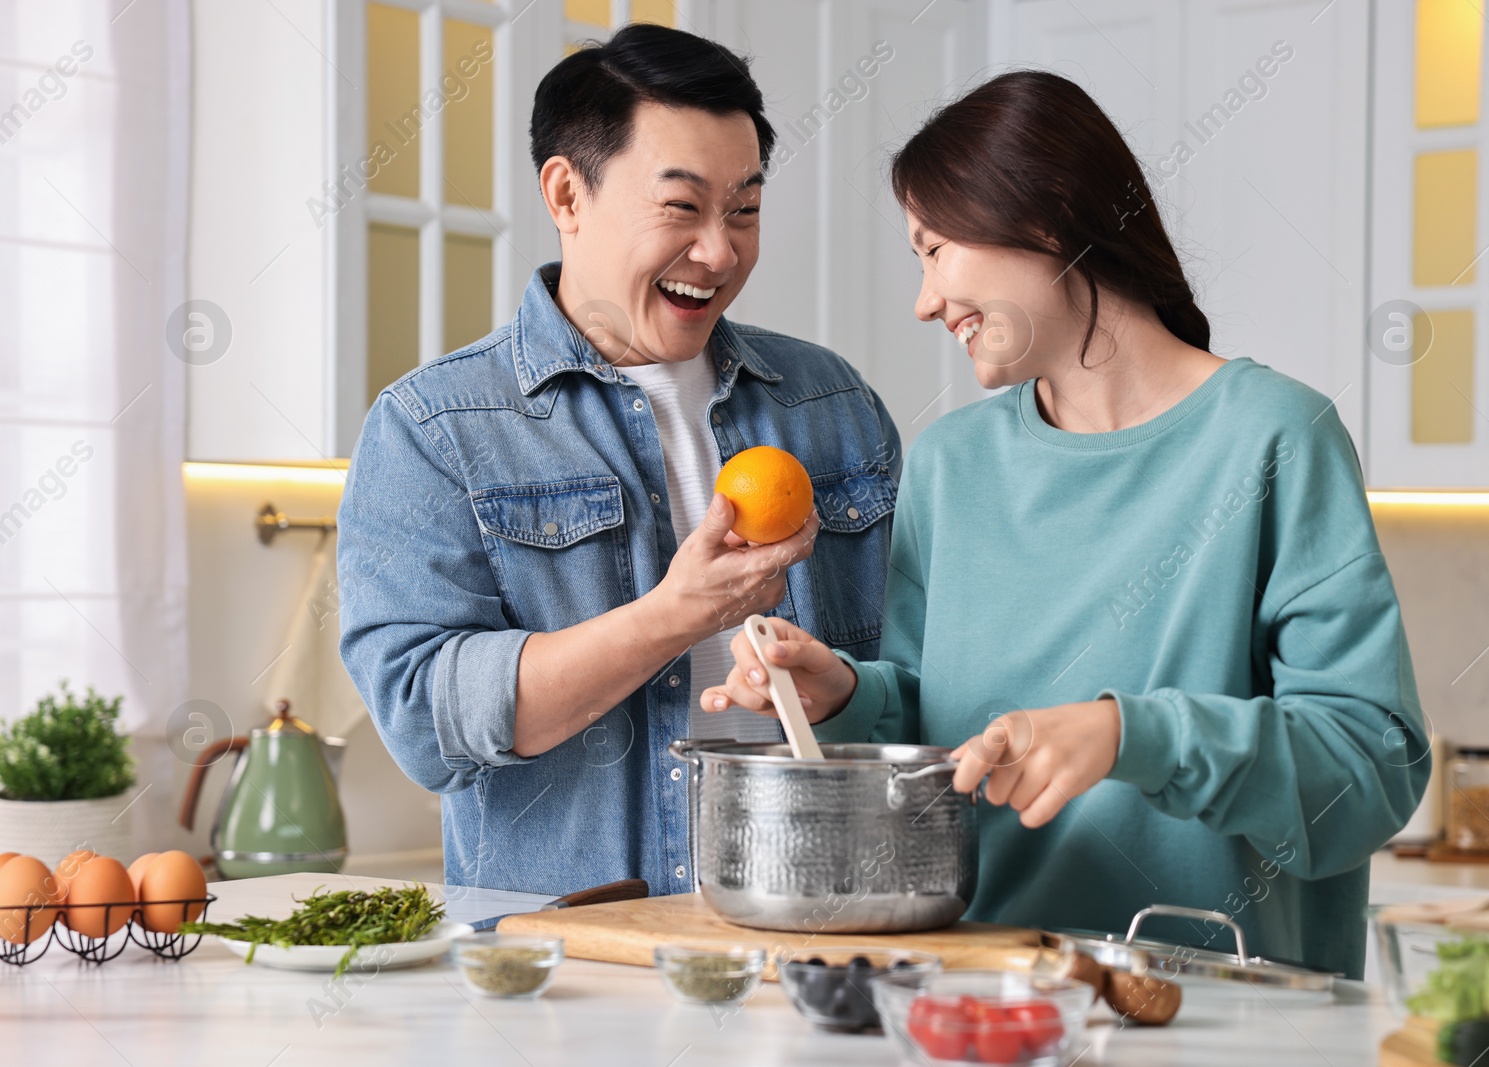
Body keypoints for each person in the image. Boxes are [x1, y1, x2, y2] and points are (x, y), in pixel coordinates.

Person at [703, 70, 1428, 977]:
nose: (925, 301)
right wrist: (847, 697)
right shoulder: (951, 464)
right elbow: (941, 726)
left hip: (1218, 1008)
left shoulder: (1274, 438)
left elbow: (1370, 772)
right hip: (979, 995)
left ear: (1045, 219)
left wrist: (1134, 736)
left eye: (935, 251)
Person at [337, 25, 901, 897]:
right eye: (681, 208)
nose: (719, 251)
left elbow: (922, 683)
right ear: (567, 192)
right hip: (574, 975)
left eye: (744, 210)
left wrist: (845, 687)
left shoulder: (830, 406)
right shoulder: (437, 427)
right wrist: (674, 616)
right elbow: (424, 718)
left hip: (819, 937)